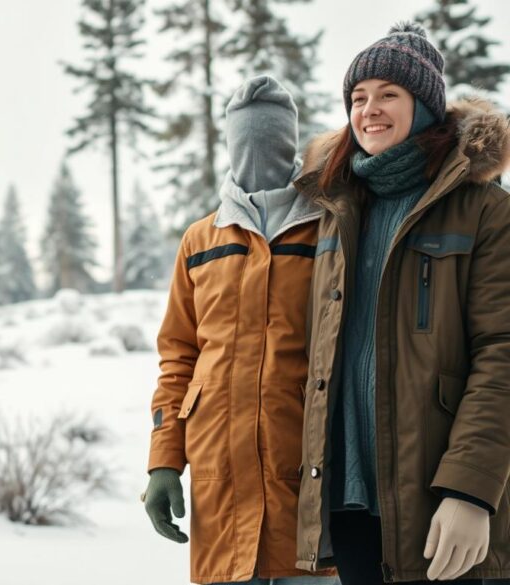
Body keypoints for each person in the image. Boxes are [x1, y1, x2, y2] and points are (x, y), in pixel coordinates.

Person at [294, 23, 510, 584]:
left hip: (442, 501)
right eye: (358, 98)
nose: (370, 109)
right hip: (351, 495)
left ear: (426, 106)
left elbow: (502, 353)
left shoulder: (484, 209)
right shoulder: (334, 209)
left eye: (389, 93)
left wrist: (471, 489)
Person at [144, 76, 339, 585]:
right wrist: (163, 462)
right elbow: (178, 358)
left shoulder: (329, 230)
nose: (257, 154)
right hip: (220, 486)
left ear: (291, 143)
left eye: (271, 140)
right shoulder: (200, 241)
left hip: (305, 483)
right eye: (245, 140)